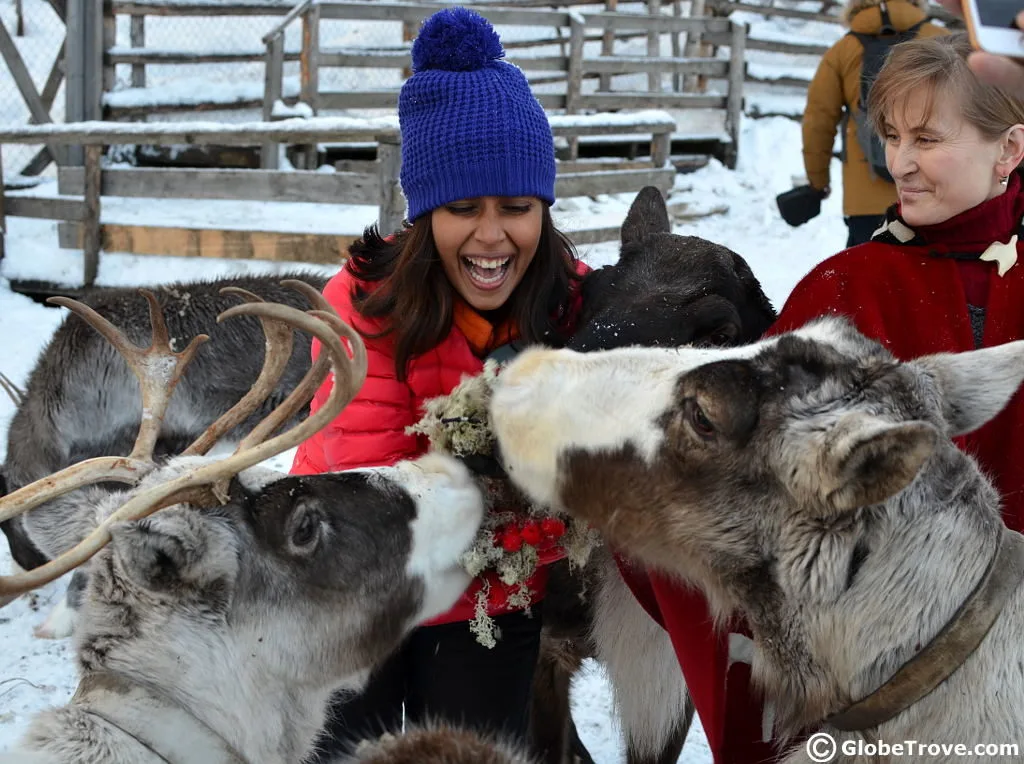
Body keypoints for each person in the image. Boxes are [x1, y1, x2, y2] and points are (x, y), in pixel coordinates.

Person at [619, 33, 1024, 763]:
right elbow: (741, 485)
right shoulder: (842, 292)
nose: (899, 161)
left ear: (1009, 150)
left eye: (927, 138)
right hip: (877, 695)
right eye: (892, 136)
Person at [289, 6, 589, 760]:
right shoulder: (365, 309)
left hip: (489, 603)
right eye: (463, 210)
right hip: (354, 591)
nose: (492, 237)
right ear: (425, 217)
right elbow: (357, 480)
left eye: (516, 208)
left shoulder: (571, 305)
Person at [802, 0, 946, 246]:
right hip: (937, 193)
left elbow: (819, 120)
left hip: (865, 200)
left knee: (866, 279)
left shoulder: (843, 50)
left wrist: (818, 183)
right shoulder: (943, 41)